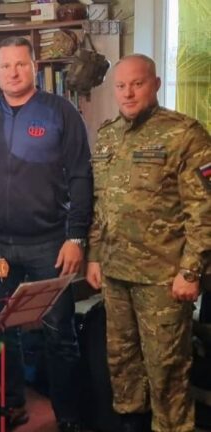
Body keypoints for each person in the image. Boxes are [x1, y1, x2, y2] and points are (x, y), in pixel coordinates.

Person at [0, 36, 93, 432]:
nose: (12, 72)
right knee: (0, 329)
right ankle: (11, 403)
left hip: (49, 243)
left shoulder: (61, 112)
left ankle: (68, 416)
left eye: (20, 64)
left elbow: (81, 177)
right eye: (5, 66)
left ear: (34, 67)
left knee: (59, 333)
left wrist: (76, 236)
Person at [86, 54, 210, 432]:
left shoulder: (185, 134)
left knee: (166, 370)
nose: (128, 93)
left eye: (137, 84)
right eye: (121, 86)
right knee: (122, 366)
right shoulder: (107, 135)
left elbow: (204, 210)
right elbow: (101, 203)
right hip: (115, 273)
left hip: (163, 277)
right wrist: (94, 256)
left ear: (154, 84)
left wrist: (191, 271)